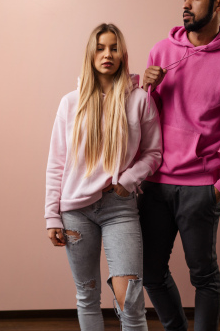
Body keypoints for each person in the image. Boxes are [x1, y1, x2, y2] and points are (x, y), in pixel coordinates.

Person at [140, 0, 220, 331]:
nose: (186, 5)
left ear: (218, 4)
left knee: (203, 277)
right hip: (155, 185)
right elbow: (143, 119)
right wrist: (143, 87)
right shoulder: (161, 52)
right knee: (151, 273)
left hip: (200, 189)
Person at [45, 23, 162, 331]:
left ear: (122, 55)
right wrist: (51, 217)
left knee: (131, 301)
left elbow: (154, 153)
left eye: (113, 48)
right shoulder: (70, 103)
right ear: (91, 54)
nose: (106, 54)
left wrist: (127, 181)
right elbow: (56, 163)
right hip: (75, 211)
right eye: (100, 48)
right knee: (87, 295)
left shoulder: (139, 100)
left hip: (119, 208)